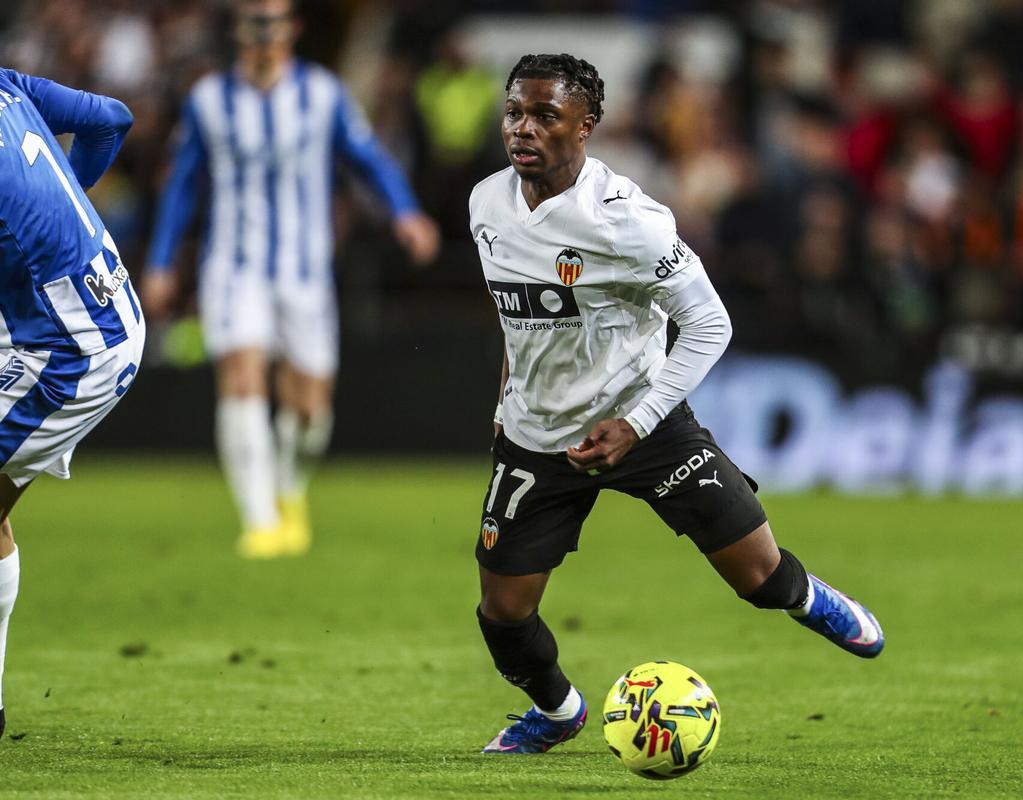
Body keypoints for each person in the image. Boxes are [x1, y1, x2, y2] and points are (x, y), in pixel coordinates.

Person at [470, 53, 885, 755]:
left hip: (645, 424)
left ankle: (812, 598)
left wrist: (635, 423)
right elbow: (519, 316)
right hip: (538, 440)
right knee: (502, 614)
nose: (523, 128)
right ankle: (559, 709)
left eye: (546, 115)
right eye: (515, 111)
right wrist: (507, 397)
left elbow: (710, 324)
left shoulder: (629, 221)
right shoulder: (486, 202)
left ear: (586, 127)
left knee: (758, 577)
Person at [141, 0, 440, 559]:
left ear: (292, 29)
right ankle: (258, 519)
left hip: (304, 271)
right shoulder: (209, 100)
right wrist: (161, 262)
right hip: (232, 266)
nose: (261, 31)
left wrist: (405, 212)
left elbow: (367, 157)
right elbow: (183, 184)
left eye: (271, 20)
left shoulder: (322, 94)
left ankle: (287, 490)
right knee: (241, 376)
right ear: (236, 30)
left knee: (309, 409)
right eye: (251, 20)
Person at [0, 68, 143, 737]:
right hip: (106, 309)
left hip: (69, 352)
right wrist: (70, 208)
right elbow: (111, 117)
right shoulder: (5, 82)